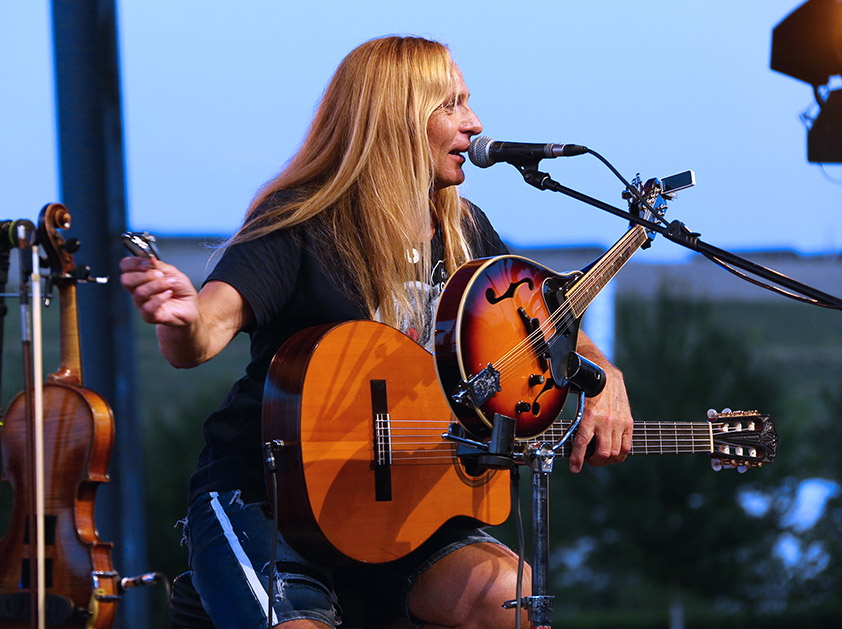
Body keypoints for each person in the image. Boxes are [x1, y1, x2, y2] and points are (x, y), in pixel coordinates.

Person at [120, 35, 633, 629]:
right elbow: (204, 334)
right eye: (452, 105)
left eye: (468, 103)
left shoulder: (464, 228)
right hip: (269, 499)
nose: (475, 123)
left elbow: (550, 320)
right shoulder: (303, 219)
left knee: (511, 598)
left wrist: (603, 379)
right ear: (396, 119)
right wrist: (182, 318)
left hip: (397, 509)